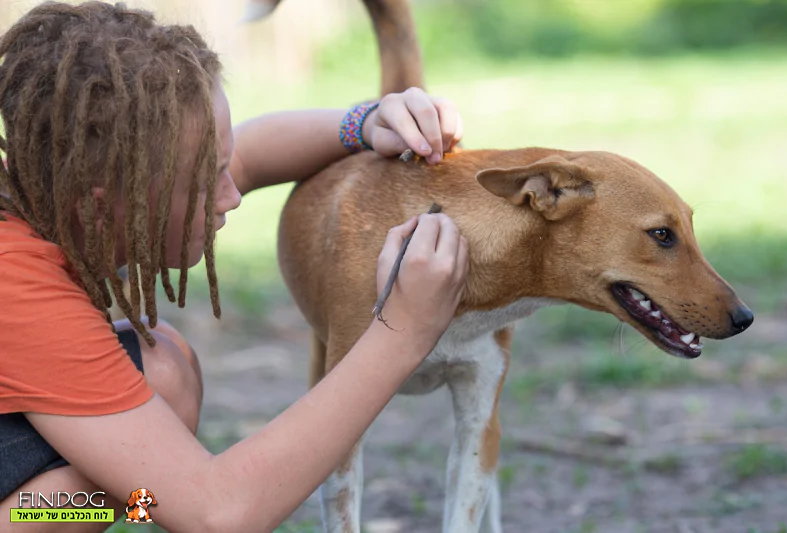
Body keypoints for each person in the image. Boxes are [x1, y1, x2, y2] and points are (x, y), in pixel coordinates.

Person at [0, 2, 468, 531]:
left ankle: (146, 503)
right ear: (107, 204)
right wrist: (401, 332)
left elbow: (246, 155)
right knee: (166, 417)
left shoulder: (56, 185)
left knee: (165, 375)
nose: (232, 195)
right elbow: (218, 515)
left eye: (221, 168)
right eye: (208, 180)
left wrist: (366, 121)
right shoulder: (16, 285)